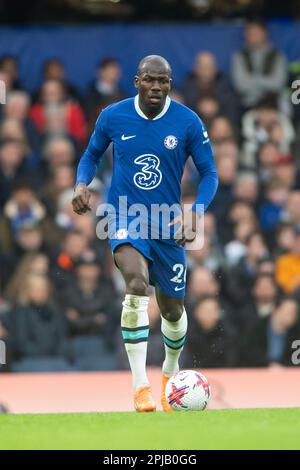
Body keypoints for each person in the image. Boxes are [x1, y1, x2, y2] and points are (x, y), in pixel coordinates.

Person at [72, 55, 218, 412]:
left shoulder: (187, 121)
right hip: (124, 216)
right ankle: (140, 385)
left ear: (169, 83)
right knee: (136, 285)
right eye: (150, 80)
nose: (157, 87)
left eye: (163, 81)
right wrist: (80, 183)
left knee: (172, 309)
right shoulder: (113, 116)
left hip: (167, 224)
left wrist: (194, 212)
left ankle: (170, 371)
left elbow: (210, 173)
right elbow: (91, 155)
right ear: (136, 81)